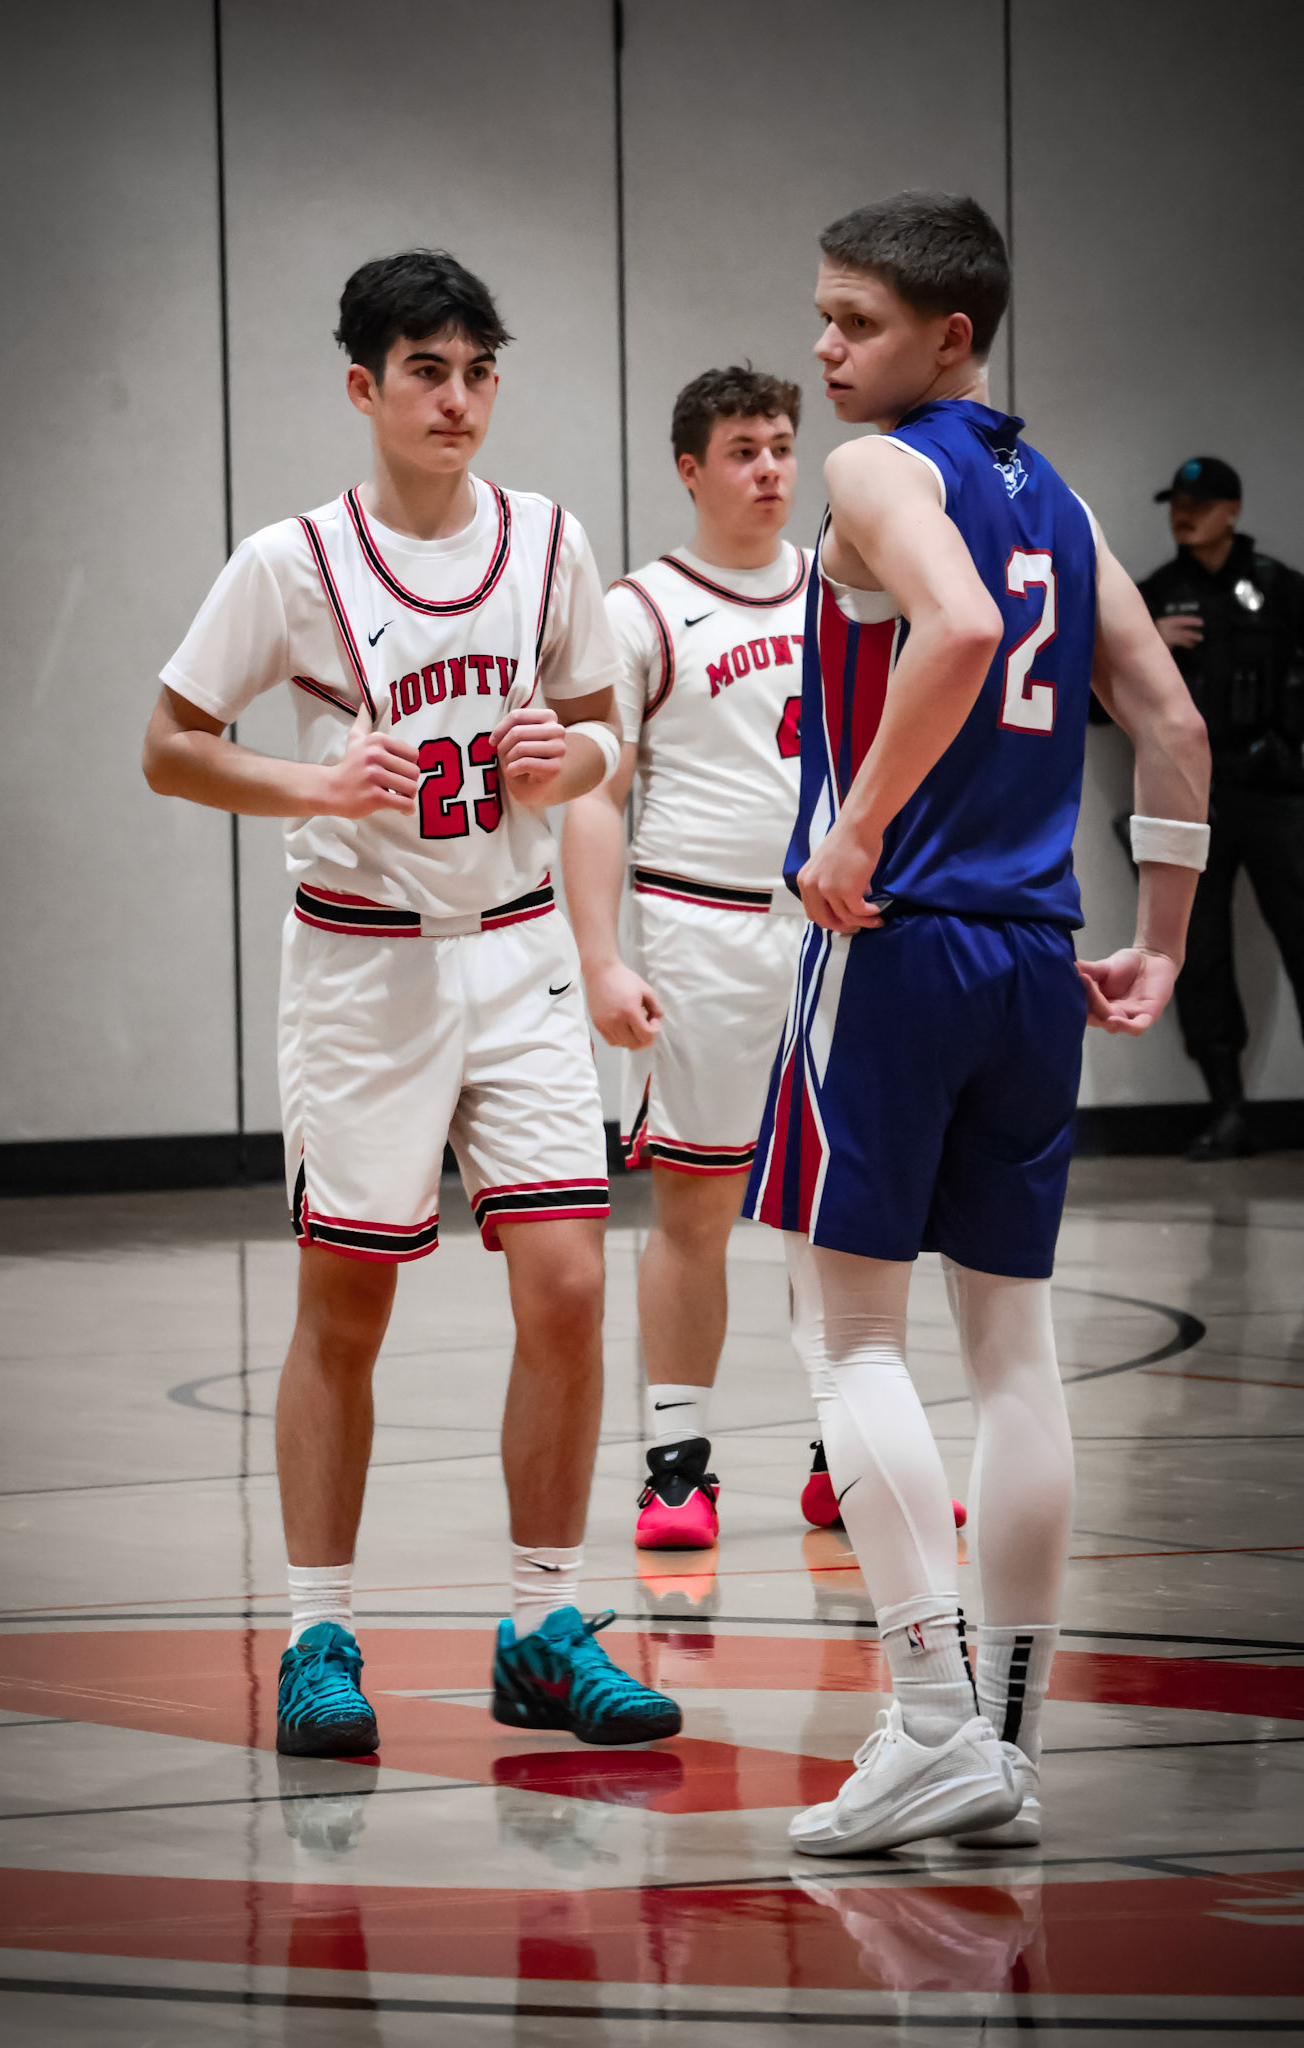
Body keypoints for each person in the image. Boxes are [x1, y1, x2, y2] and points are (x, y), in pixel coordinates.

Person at [142, 249, 680, 1759]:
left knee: (568, 1282)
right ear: (364, 387)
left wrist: (573, 759)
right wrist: (313, 782)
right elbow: (169, 746)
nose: (457, 399)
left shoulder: (550, 538)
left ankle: (543, 1628)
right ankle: (318, 1633)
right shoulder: (291, 562)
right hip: (362, 965)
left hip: (517, 951)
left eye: (477, 371)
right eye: (426, 371)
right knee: (348, 1302)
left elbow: (606, 736)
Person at [745, 192, 1210, 1854]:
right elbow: (1170, 721)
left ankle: (933, 1716)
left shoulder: (879, 470)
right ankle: (1003, 1746)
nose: (823, 347)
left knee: (847, 1336)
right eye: (821, 313)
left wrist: (856, 830)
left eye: (855, 321)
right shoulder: (1063, 498)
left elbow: (952, 627)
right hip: (1034, 958)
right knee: (1013, 1346)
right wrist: (1160, 941)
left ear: (948, 338)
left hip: (895, 944)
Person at [562, 365, 829, 1550]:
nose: (769, 470)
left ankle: (847, 1456)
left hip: (833, 927)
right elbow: (596, 797)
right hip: (699, 930)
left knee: (839, 1209)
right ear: (690, 468)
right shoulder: (641, 609)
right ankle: (678, 1467)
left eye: (781, 447)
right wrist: (601, 957)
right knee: (699, 1207)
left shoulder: (847, 592)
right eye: (742, 451)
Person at [1139, 457, 1304, 1159]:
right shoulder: (1154, 595)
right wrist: (1150, 642)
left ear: (1231, 511)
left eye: (1199, 504)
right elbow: (1094, 705)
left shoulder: (1280, 588)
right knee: (1197, 953)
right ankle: (1226, 1111)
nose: (1183, 514)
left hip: (1272, 793)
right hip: (1190, 799)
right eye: (1176, 502)